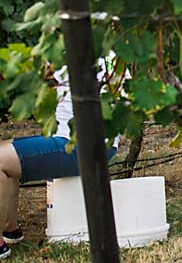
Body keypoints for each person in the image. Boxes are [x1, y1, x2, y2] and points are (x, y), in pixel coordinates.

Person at [0, 54, 125, 259]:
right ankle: (9, 229)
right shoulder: (108, 52)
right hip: (88, 143)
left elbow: (32, 72)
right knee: (5, 150)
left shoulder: (76, 47)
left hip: (81, 146)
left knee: (1, 159)